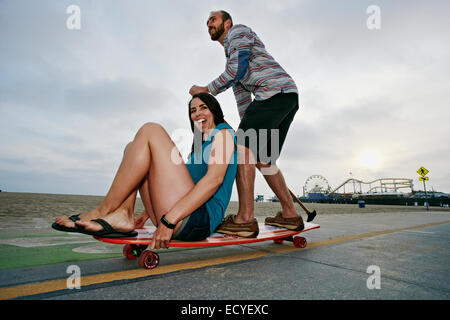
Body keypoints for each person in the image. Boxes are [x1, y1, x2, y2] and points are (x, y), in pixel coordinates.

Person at [52, 93, 237, 249]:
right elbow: (174, 185)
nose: (197, 114)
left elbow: (214, 180)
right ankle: (124, 214)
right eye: (193, 110)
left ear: (214, 110)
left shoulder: (224, 134)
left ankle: (103, 210)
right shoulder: (199, 146)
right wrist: (147, 214)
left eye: (203, 107)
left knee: (151, 130)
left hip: (197, 220)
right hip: (177, 216)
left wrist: (168, 221)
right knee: (132, 147)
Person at [189, 10, 304, 238]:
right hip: (286, 96)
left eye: (213, 19)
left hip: (272, 93)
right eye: (207, 22)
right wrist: (246, 126)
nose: (209, 23)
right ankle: (290, 214)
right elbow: (242, 96)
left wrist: (206, 90)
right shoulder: (231, 54)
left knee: (243, 151)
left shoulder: (238, 33)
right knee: (263, 159)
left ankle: (245, 219)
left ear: (227, 22)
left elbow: (236, 71)